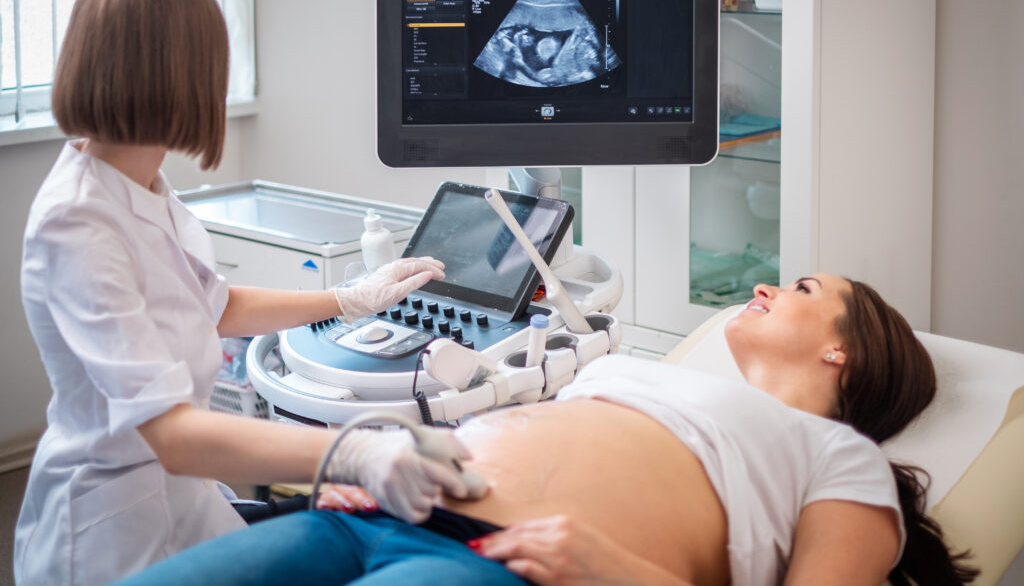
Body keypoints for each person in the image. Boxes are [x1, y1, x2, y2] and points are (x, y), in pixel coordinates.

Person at [14, 0, 474, 586]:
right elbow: (172, 434)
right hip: (109, 530)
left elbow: (215, 304)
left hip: (186, 501)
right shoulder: (76, 223)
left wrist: (347, 298)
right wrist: (352, 454)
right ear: (179, 75)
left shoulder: (140, 181)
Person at [109, 274, 979, 586]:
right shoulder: (633, 368)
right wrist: (385, 466)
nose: (765, 288)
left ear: (842, 349)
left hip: (502, 567)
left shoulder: (843, 460)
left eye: (800, 287)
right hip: (370, 515)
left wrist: (619, 573)